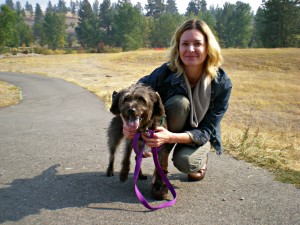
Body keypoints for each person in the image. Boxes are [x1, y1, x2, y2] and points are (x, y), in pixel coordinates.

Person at [122, 19, 232, 200]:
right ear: (177, 48)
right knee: (179, 103)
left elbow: (205, 130)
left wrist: (169, 137)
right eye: (185, 44)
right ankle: (161, 172)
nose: (190, 49)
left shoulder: (222, 84)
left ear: (208, 47)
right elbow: (130, 93)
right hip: (170, 122)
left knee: (186, 162)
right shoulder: (166, 72)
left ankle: (201, 160)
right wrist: (126, 123)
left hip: (196, 133)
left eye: (197, 44)